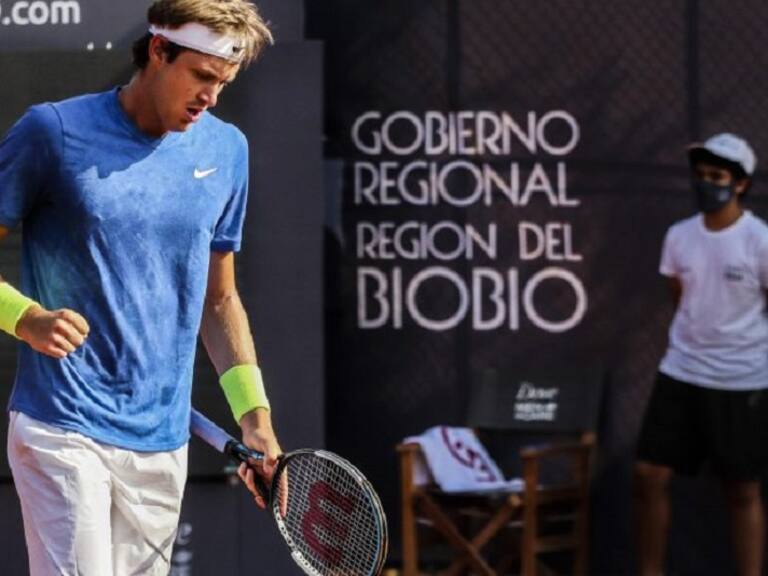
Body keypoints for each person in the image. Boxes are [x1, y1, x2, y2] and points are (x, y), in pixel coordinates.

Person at [0, 1, 280, 573]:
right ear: (158, 51)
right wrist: (25, 318)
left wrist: (255, 417)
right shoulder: (51, 132)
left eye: (223, 84)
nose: (210, 97)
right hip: (63, 425)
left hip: (162, 441)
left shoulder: (227, 151)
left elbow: (219, 298)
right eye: (201, 76)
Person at [634, 133, 768, 576]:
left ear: (741, 184)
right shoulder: (678, 236)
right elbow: (680, 296)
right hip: (682, 371)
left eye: (717, 176)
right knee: (649, 475)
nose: (706, 183)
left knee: (742, 491)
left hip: (741, 380)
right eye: (701, 175)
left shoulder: (760, 240)